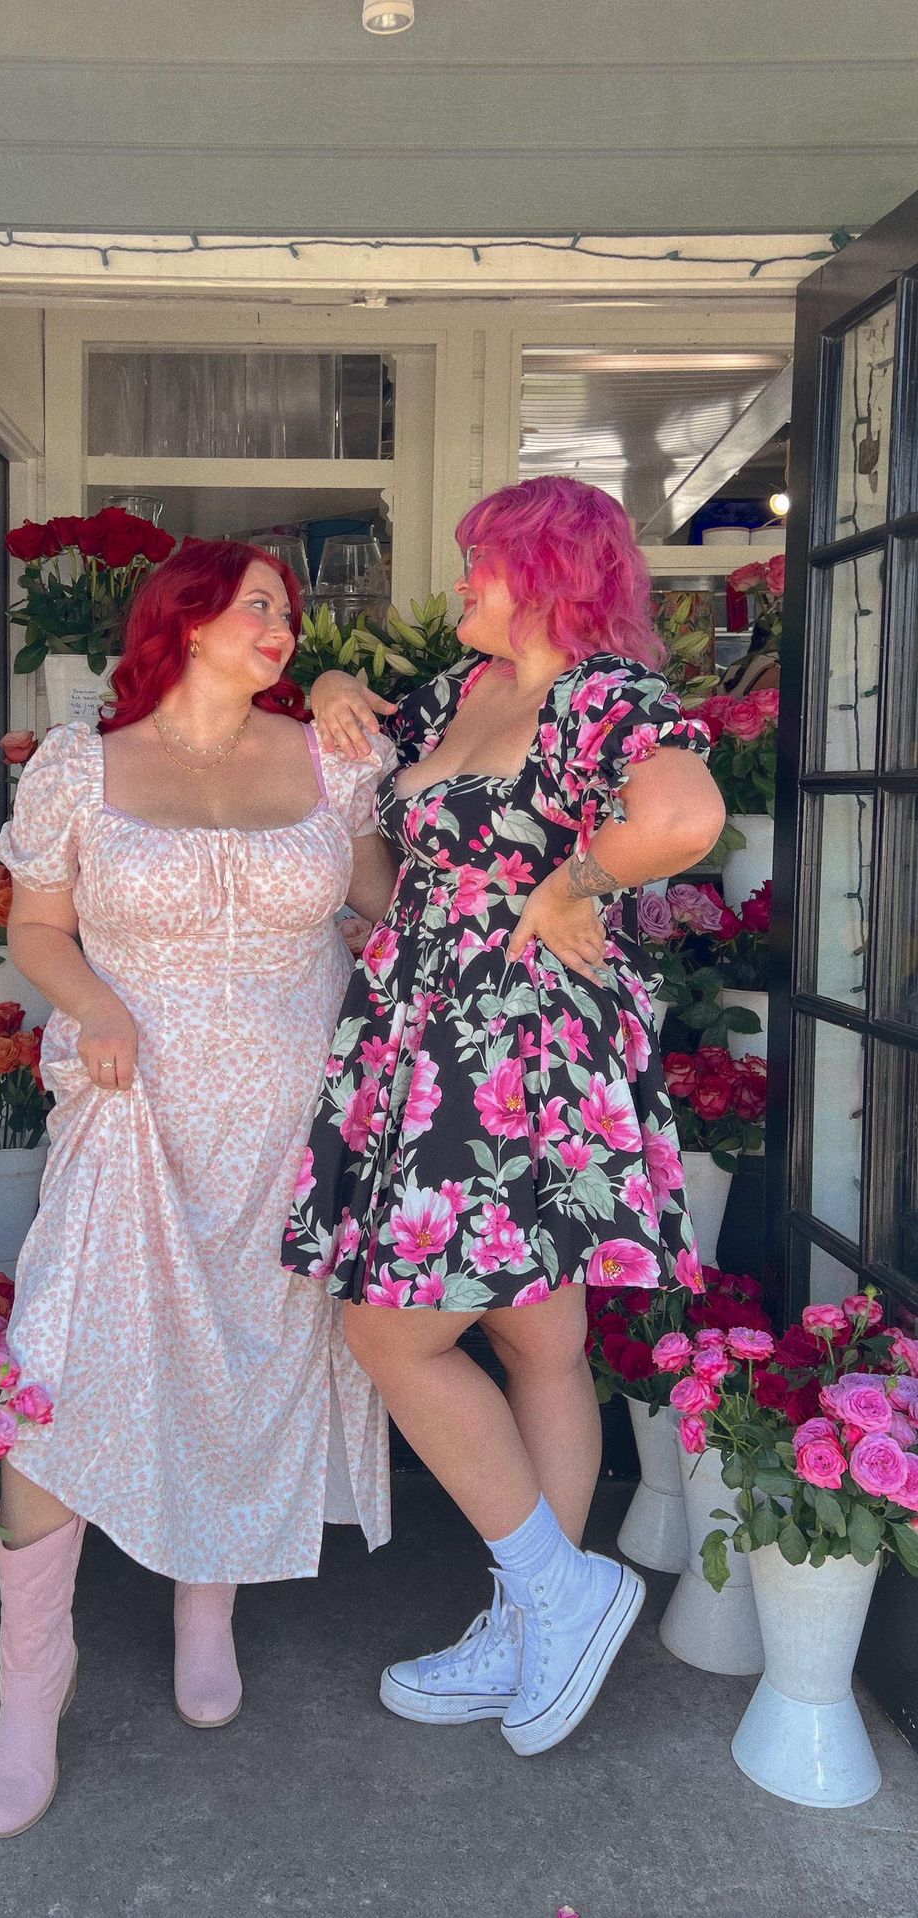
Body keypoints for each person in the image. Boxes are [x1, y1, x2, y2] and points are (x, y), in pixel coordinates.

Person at [283, 476, 725, 1757]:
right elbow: (373, 785)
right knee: (542, 1340)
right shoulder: (458, 693)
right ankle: (537, 1620)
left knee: (391, 1332)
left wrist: (574, 885)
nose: (461, 579)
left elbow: (683, 815)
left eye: (480, 561)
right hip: (430, 1031)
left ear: (543, 575)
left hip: (517, 1049)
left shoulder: (600, 695)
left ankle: (555, 1589)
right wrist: (328, 688)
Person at [0, 539, 397, 1838]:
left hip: (291, 1128)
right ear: (188, 615)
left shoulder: (329, 758)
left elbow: (388, 905)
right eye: (258, 601)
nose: (283, 622)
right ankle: (31, 1678)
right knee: (60, 1367)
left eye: (292, 608)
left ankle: (205, 1602)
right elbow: (37, 925)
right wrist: (99, 1005)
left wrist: (353, 710)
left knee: (248, 1361)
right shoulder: (80, 764)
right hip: (133, 1114)